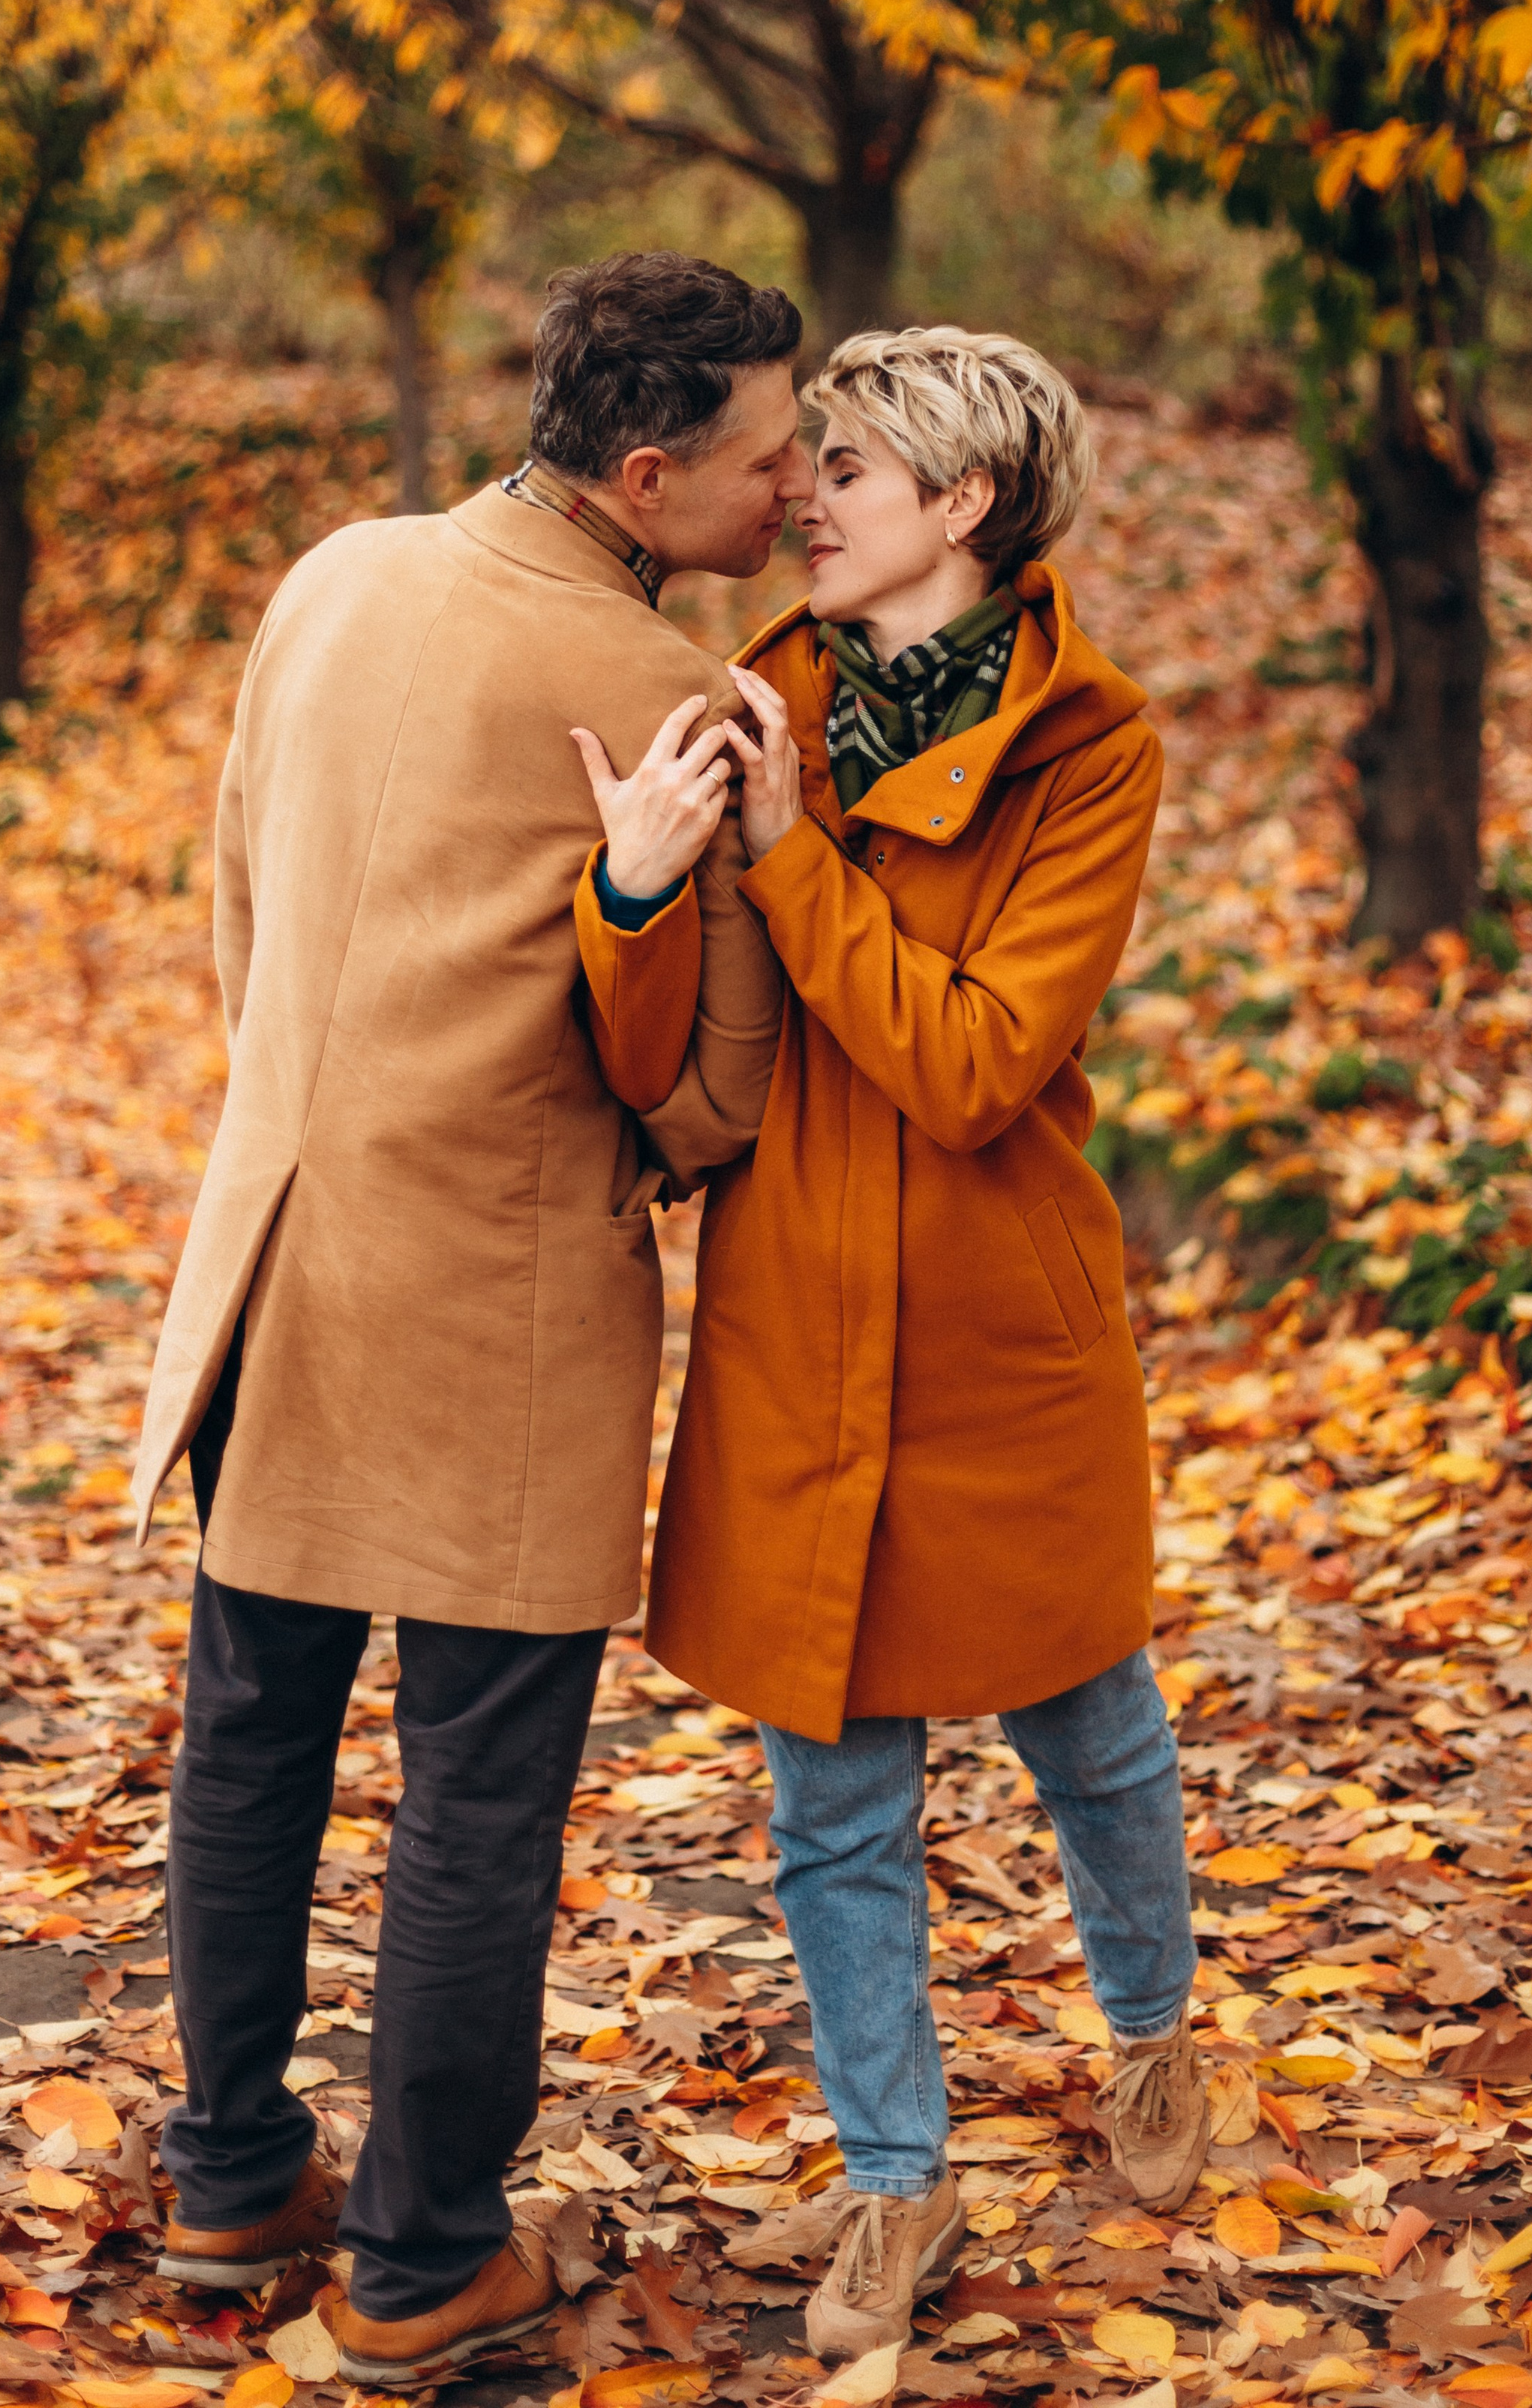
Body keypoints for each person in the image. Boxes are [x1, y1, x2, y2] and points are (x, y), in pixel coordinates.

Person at [128, 253, 806, 2388]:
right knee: (477, 1791)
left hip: (279, 1255)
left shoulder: (334, 578)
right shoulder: (668, 694)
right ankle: (422, 2260)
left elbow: (237, 896)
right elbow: (702, 1098)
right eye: (770, 456)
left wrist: (304, 1105)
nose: (795, 491)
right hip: (498, 1306)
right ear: (646, 468)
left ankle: (231, 2173)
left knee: (253, 1727)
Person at [581, 326, 1199, 2366]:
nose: (802, 495)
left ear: (965, 507)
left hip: (997, 1316)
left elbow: (971, 1059)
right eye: (809, 457)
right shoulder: (756, 696)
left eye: (849, 465)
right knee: (828, 1804)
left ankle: (1157, 2033)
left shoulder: (1089, 748)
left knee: (1087, 1734)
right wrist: (637, 885)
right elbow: (660, 1034)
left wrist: (788, 856)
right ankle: (896, 2183)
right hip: (793, 1318)